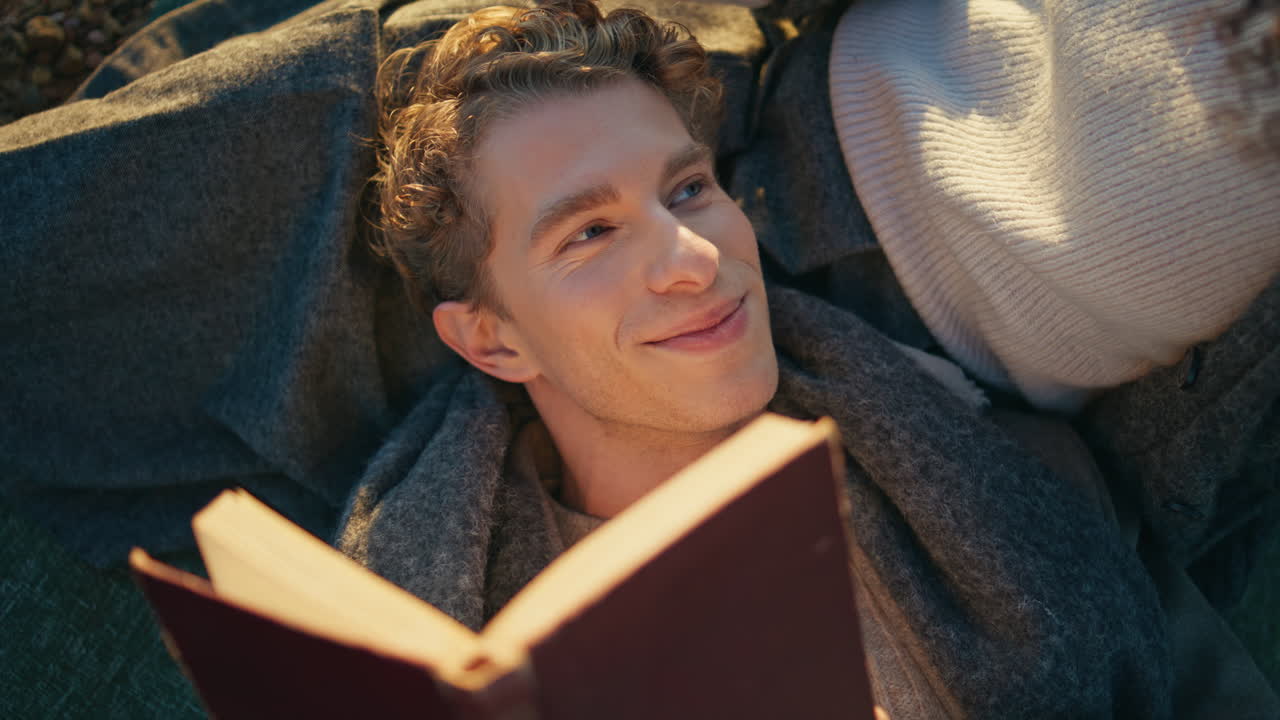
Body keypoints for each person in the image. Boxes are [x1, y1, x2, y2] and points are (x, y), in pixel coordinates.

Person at [331, 1, 1277, 716]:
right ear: (490, 337)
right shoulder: (449, 649)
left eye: (690, 189)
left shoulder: (1033, 483)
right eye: (589, 233)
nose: (696, 259)